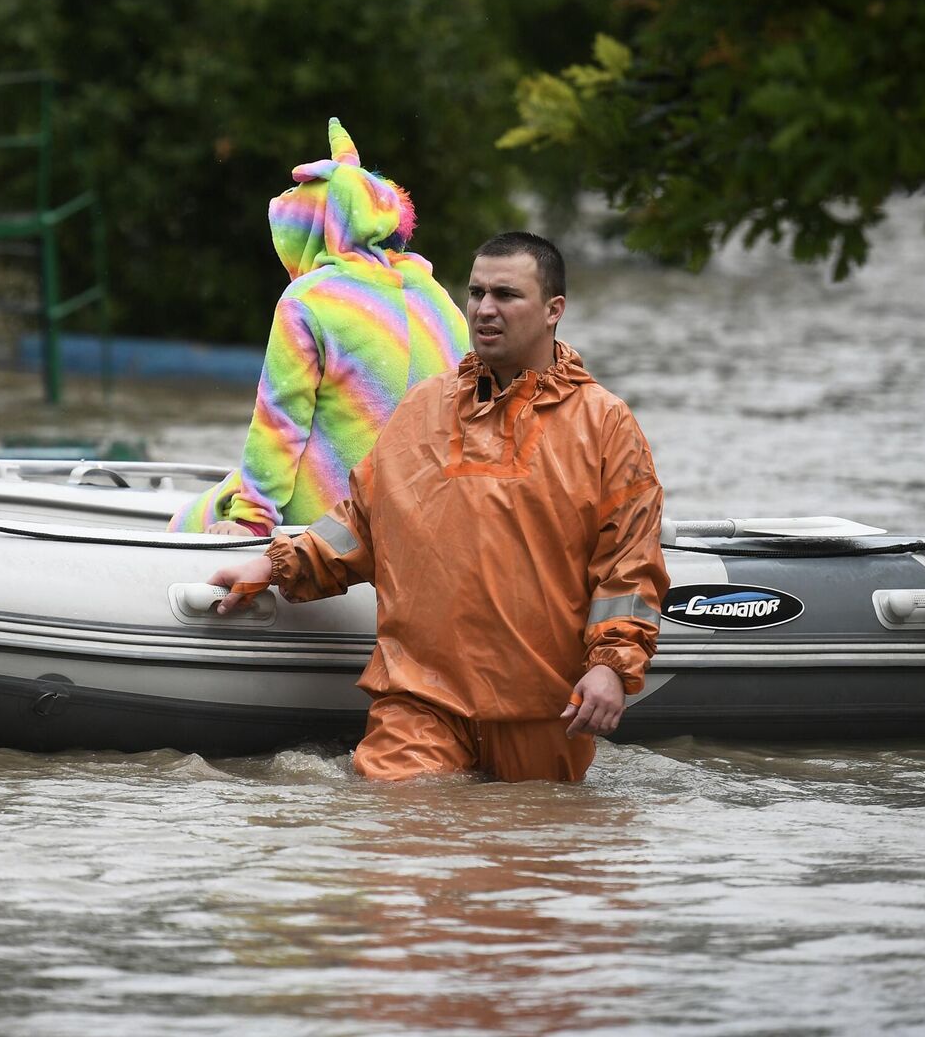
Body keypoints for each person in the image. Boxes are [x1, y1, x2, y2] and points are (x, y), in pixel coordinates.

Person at [206, 231, 667, 783]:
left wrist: (611, 668)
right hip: (417, 698)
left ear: (553, 310)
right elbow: (362, 522)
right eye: (475, 293)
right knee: (398, 831)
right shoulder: (425, 406)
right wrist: (275, 563)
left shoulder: (605, 424)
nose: (484, 309)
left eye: (506, 294)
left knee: (538, 845)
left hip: (544, 708)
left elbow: (629, 565)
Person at [170, 118, 469, 536]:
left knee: (187, 520)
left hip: (332, 526)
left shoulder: (309, 299)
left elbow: (280, 423)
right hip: (425, 522)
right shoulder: (439, 300)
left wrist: (251, 520)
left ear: (314, 231)